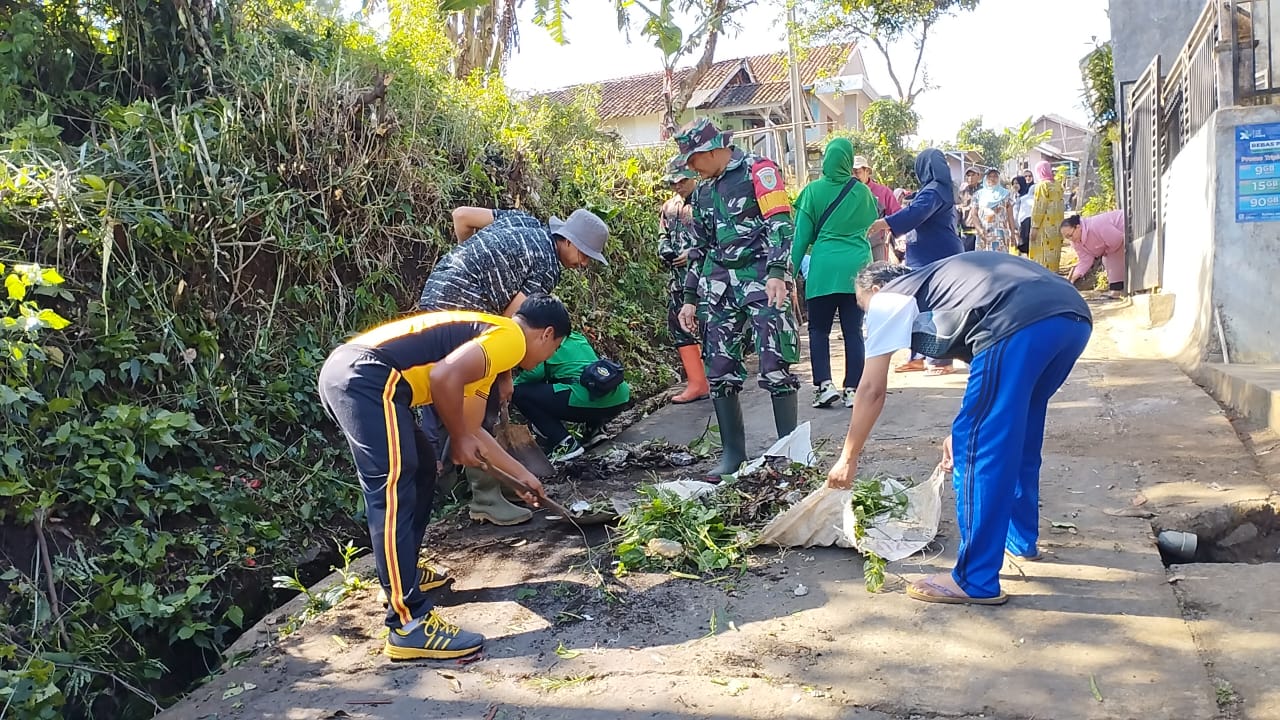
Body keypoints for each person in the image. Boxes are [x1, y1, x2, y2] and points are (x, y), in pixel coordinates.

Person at [827, 255, 1092, 605]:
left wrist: (848, 457)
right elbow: (985, 368)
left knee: (978, 453)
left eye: (863, 307)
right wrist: (966, 425)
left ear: (875, 290)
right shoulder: (941, 287)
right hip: (1071, 317)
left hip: (1017, 321)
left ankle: (974, 579)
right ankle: (1020, 539)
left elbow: (872, 389)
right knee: (1019, 433)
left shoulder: (889, 298)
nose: (866, 318)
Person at [318, 294, 571, 659]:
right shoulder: (510, 339)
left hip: (364, 375)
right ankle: (409, 625)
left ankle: (404, 573)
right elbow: (443, 377)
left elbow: (472, 430)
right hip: (368, 377)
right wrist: (461, 439)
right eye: (554, 349)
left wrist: (521, 475)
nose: (545, 359)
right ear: (546, 334)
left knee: (421, 471)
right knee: (393, 491)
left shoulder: (487, 349)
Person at [416, 206, 609, 526]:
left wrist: (472, 263)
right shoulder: (548, 265)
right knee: (483, 398)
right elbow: (516, 330)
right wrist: (505, 377)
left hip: (435, 295)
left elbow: (461, 217)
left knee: (442, 396)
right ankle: (485, 497)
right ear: (569, 242)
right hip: (465, 314)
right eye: (585, 255)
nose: (584, 264)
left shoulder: (521, 219)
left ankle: (436, 487)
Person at [673, 118, 801, 480]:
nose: (691, 167)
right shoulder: (701, 193)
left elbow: (781, 225)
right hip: (720, 284)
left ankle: (787, 453)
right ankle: (733, 455)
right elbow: (700, 248)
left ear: (712, 151)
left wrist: (778, 271)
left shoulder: (759, 171)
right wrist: (689, 297)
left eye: (694, 159)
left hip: (762, 277)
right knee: (719, 368)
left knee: (775, 363)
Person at [791, 138, 880, 410]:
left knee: (819, 330)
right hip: (857, 269)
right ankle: (853, 389)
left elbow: (801, 238)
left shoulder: (813, 192)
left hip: (824, 268)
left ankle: (824, 386)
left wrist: (789, 272)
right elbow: (869, 223)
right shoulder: (863, 192)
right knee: (853, 330)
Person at [868, 148, 965, 376]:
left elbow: (916, 213)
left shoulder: (935, 191)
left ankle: (941, 360)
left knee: (938, 307)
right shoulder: (938, 189)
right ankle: (919, 356)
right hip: (926, 255)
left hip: (937, 255)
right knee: (921, 307)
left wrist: (884, 222)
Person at [512, 330, 631, 462]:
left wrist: (508, 386)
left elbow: (533, 374)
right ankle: (594, 431)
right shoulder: (576, 337)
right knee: (583, 376)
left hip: (584, 399)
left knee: (519, 393)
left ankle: (564, 443)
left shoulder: (545, 343)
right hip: (620, 397)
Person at [658, 159, 711, 405]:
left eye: (682, 181)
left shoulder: (708, 200)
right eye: (674, 182)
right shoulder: (669, 208)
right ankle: (697, 383)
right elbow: (662, 235)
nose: (678, 186)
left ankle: (719, 379)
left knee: (712, 328)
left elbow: (719, 239)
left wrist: (692, 253)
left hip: (708, 280)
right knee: (679, 328)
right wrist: (665, 251)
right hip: (678, 282)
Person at [852, 155, 903, 262]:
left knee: (879, 276)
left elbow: (898, 215)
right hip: (853, 245)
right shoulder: (847, 193)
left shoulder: (883, 192)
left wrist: (884, 226)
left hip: (876, 245)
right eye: (851, 173)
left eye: (857, 172)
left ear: (867, 171)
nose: (854, 176)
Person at [1061, 210, 1127, 293]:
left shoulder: (1095, 225)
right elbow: (1085, 260)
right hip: (1116, 244)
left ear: (1078, 227)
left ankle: (1117, 289)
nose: (1071, 239)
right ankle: (1117, 289)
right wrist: (1074, 276)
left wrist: (1106, 251)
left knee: (1109, 259)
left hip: (1128, 225)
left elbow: (1116, 239)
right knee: (1108, 259)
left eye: (1070, 235)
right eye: (1067, 238)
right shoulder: (1076, 242)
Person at [1028, 161, 1065, 271]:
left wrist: (1034, 227)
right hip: (1057, 227)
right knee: (1054, 254)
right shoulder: (1057, 185)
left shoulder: (1042, 186)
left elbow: (1039, 207)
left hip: (1044, 227)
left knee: (1043, 256)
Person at [973, 169, 1017, 253]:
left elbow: (1010, 216)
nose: (992, 179)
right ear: (985, 178)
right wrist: (979, 230)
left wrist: (1013, 235)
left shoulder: (1006, 194)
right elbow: (974, 214)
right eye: (989, 176)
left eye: (995, 176)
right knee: (984, 262)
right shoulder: (978, 195)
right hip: (984, 234)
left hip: (1000, 235)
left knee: (1001, 262)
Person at [956, 168, 982, 252]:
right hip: (966, 230)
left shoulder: (983, 190)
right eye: (968, 175)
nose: (970, 178)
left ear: (978, 176)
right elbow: (957, 208)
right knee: (967, 256)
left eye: (973, 175)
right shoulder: (962, 191)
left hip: (981, 229)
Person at [1012, 176, 1034, 256]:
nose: (1015, 185)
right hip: (1015, 226)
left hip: (1025, 226)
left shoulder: (1027, 197)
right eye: (1013, 184)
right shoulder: (1012, 196)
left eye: (1017, 183)